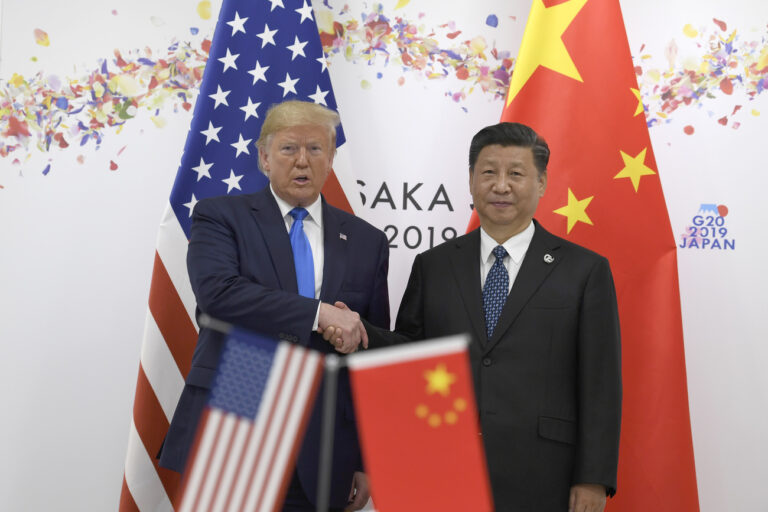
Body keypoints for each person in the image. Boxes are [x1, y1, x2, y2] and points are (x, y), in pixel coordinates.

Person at [324, 122, 621, 511]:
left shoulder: (583, 270)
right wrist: (362, 333)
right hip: (445, 465)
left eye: (516, 173)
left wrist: (593, 477)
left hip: (545, 472)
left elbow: (600, 382)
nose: (501, 185)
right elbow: (412, 352)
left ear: (543, 182)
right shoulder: (434, 265)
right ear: (470, 180)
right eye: (488, 172)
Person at [158, 100, 390, 511]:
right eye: (288, 149)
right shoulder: (221, 217)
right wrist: (321, 315)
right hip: (236, 419)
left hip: (324, 443)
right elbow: (219, 295)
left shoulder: (366, 240)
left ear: (331, 158)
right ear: (264, 157)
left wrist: (364, 456)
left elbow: (368, 357)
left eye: (316, 149)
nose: (302, 160)